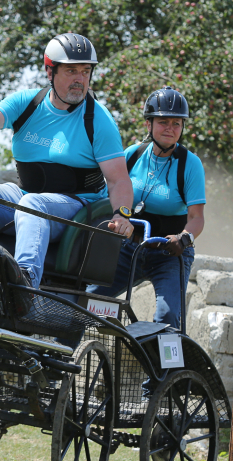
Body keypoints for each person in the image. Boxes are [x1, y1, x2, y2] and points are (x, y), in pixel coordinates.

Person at [0, 33, 134, 289]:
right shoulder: (27, 103)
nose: (80, 79)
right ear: (50, 71)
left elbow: (118, 179)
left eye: (85, 71)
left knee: (32, 203)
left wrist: (122, 214)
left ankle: (25, 286)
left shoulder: (99, 120)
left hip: (76, 207)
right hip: (25, 195)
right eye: (71, 71)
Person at [85, 87, 206, 329]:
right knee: (88, 300)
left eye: (177, 123)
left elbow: (197, 218)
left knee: (168, 317)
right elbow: (108, 193)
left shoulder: (190, 165)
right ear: (148, 124)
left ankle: (167, 366)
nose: (170, 128)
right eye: (163, 122)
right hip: (129, 248)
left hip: (170, 254)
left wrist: (184, 238)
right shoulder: (132, 155)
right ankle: (66, 357)